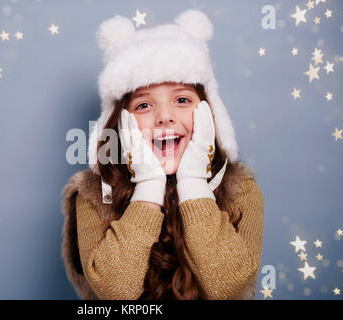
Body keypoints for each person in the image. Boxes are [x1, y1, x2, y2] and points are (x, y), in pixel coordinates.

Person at [61, 9, 264, 300]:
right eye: (144, 105)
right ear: (122, 122)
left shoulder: (240, 190)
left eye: (182, 100)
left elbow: (228, 288)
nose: (165, 117)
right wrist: (148, 186)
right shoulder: (94, 194)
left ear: (210, 113)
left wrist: (193, 182)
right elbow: (115, 295)